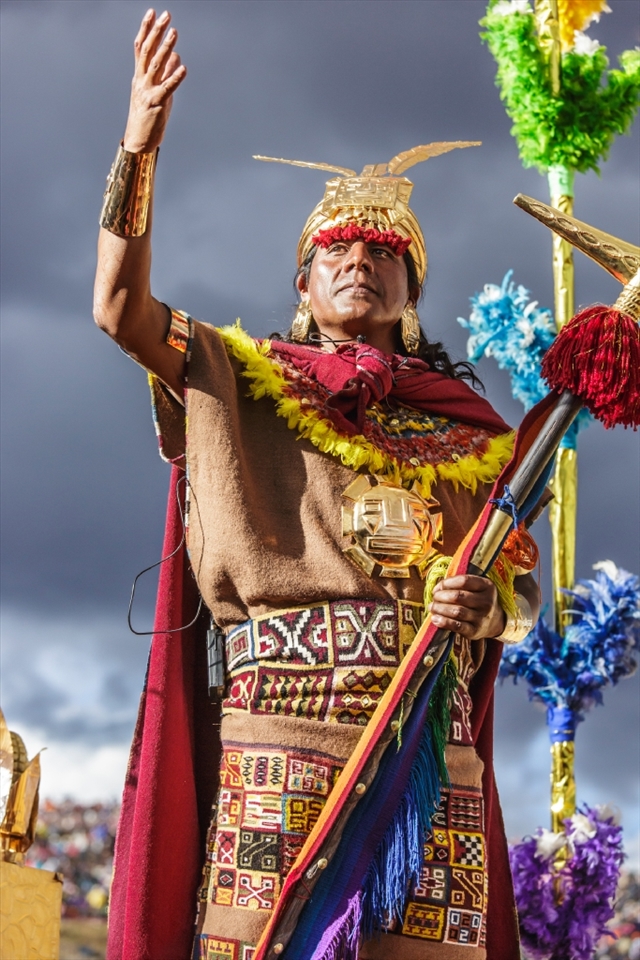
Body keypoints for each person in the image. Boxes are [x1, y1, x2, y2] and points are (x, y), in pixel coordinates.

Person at [94, 11, 541, 960]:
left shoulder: (470, 433)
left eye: (382, 252)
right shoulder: (234, 377)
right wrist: (140, 144)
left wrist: (486, 607)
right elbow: (120, 309)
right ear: (304, 285)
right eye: (335, 249)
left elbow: (523, 594)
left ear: (410, 292)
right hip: (280, 735)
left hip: (426, 747)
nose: (358, 261)